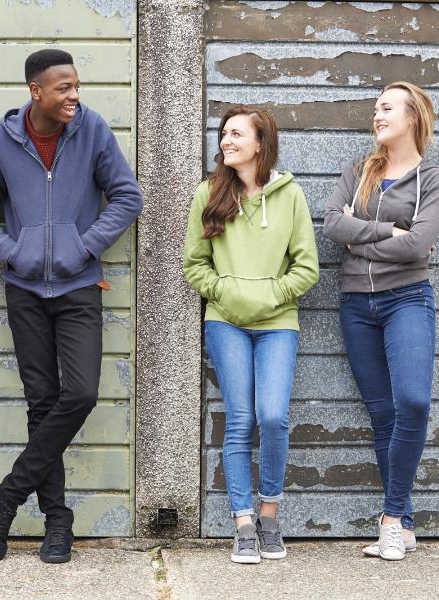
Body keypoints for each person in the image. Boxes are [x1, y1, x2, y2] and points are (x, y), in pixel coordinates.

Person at [0, 49, 143, 564]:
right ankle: (57, 523)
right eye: (63, 87)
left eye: (77, 85)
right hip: (24, 290)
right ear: (35, 91)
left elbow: (127, 197)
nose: (74, 96)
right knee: (42, 404)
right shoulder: (0, 142)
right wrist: (14, 250)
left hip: (78, 285)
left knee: (80, 393)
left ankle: (7, 494)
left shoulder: (92, 130)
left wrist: (84, 246)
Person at [183, 106, 318, 564]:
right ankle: (243, 523)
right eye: (223, 133)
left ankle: (269, 514)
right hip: (226, 323)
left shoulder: (290, 195)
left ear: (261, 143)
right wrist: (226, 292)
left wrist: (271, 296)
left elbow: (307, 267)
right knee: (240, 419)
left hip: (278, 323)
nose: (226, 140)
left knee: (274, 416)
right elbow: (194, 265)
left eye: (237, 133)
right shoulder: (209, 193)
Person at [324, 82, 439, 561]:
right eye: (375, 108)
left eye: (387, 108)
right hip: (357, 303)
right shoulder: (359, 171)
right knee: (384, 415)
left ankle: (391, 518)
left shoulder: (433, 180)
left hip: (408, 300)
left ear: (414, 116)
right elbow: (333, 225)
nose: (377, 115)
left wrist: (362, 240)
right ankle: (406, 524)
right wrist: (384, 231)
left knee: (413, 402)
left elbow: (418, 246)